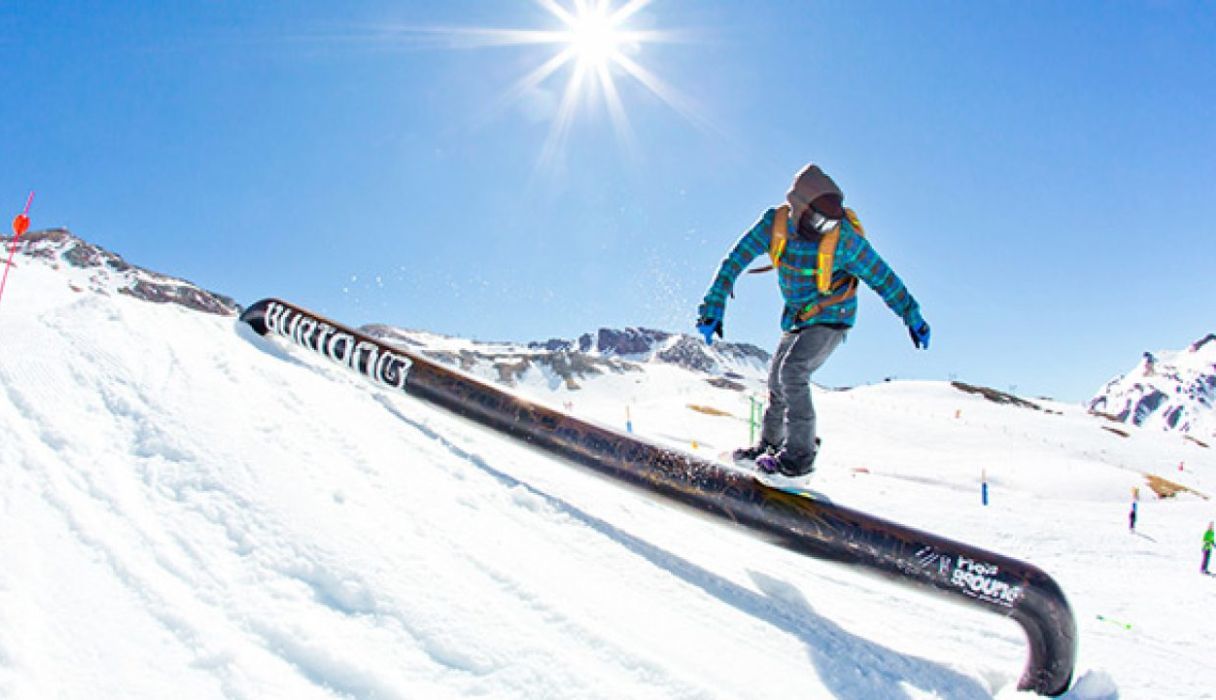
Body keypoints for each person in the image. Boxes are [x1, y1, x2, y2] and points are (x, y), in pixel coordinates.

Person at [696, 163, 929, 477]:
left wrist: (911, 315)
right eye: (819, 221)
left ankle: (800, 458)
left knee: (793, 372)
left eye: (832, 222)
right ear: (799, 208)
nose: (825, 228)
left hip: (834, 316)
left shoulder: (844, 239)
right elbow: (734, 261)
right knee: (777, 378)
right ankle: (769, 446)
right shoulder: (773, 225)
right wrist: (713, 306)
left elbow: (883, 277)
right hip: (797, 318)